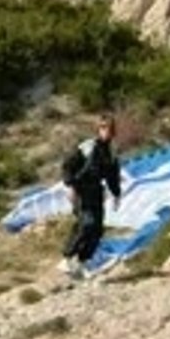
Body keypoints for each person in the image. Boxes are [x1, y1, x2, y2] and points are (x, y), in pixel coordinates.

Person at [58, 114, 122, 278]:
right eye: (103, 127)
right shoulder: (88, 146)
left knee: (97, 229)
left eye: (109, 128)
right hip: (81, 190)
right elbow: (68, 165)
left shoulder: (111, 153)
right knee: (87, 223)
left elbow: (112, 175)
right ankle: (66, 259)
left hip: (96, 192)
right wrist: (70, 186)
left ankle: (82, 262)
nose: (106, 131)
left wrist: (116, 194)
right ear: (98, 129)